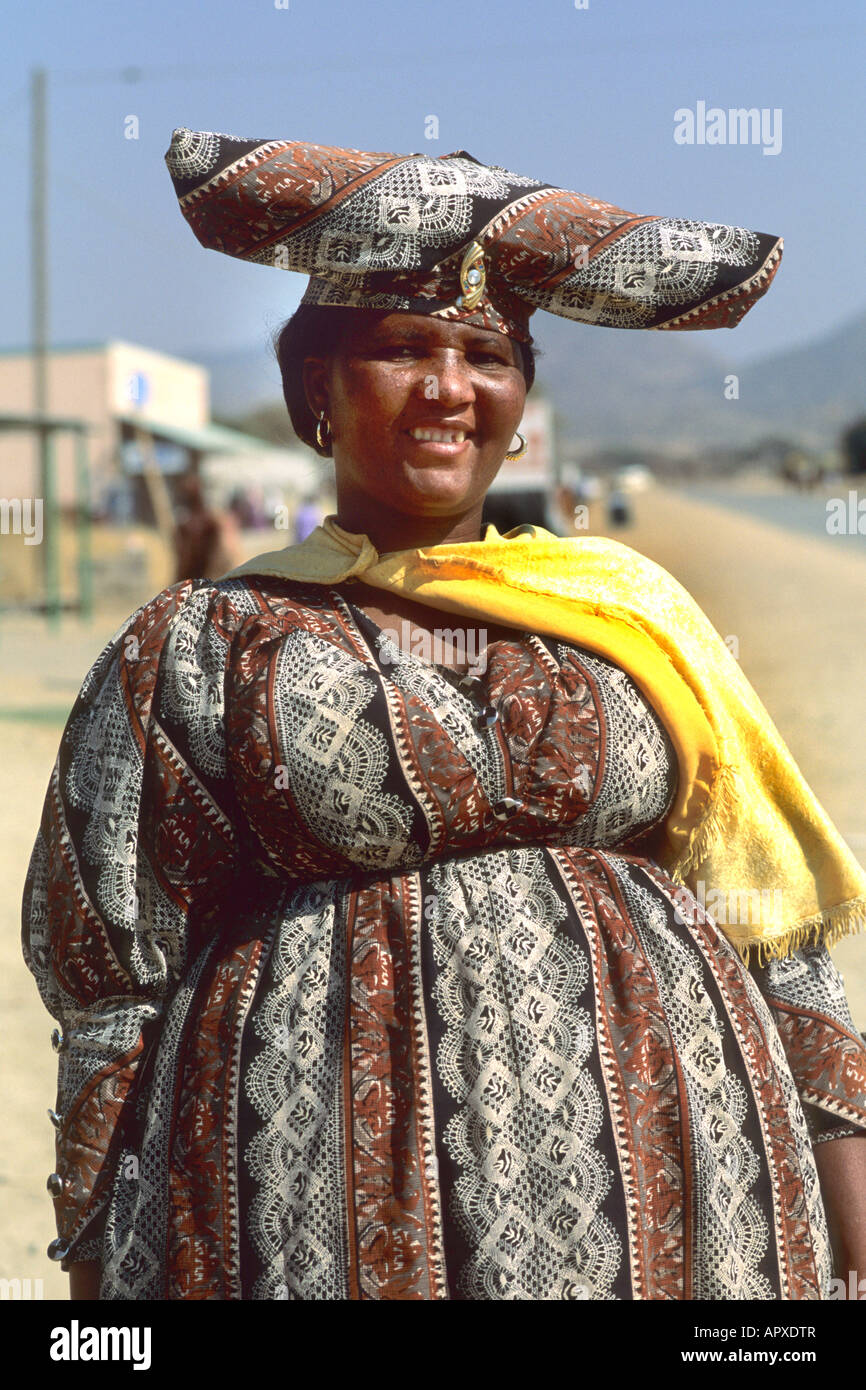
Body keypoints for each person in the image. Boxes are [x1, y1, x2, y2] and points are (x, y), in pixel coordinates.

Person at [21, 130, 866, 1301]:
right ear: (315, 387)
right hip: (304, 1216)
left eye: (484, 354)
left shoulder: (624, 612)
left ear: (519, 403)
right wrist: (101, 1286)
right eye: (401, 348)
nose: (446, 388)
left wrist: (849, 1209)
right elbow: (109, 976)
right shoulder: (201, 645)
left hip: (684, 1214)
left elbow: (770, 922)